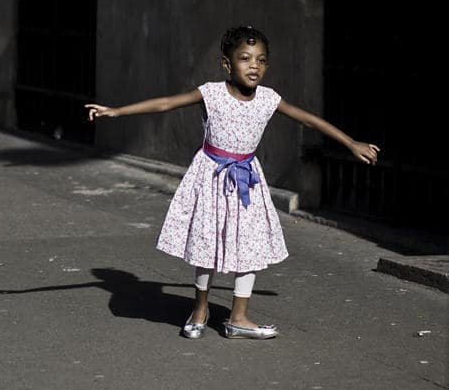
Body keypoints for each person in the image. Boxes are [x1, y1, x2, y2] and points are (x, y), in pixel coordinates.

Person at [84, 26, 380, 340]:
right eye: (245, 58)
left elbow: (308, 119)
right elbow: (166, 104)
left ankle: (238, 317)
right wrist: (117, 111)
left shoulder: (268, 99)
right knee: (207, 244)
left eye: (261, 60)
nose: (254, 65)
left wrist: (350, 143)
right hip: (210, 177)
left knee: (249, 244)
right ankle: (200, 309)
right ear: (227, 63)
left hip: (248, 181)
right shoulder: (211, 93)